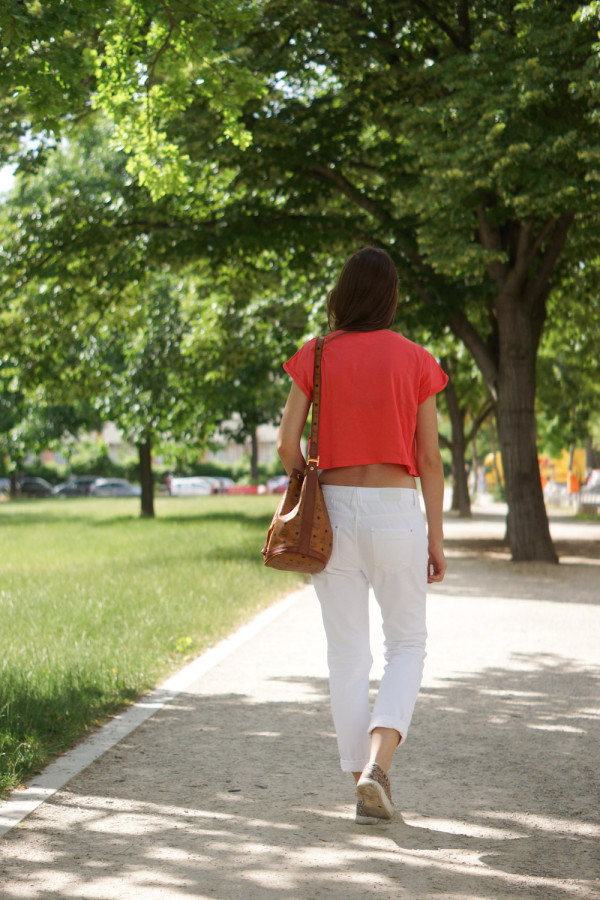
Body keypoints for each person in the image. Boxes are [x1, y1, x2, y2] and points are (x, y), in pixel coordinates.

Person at [276, 246, 448, 824]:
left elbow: (285, 445)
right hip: (397, 509)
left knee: (347, 653)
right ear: (391, 297)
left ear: (343, 294)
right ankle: (381, 765)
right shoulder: (417, 359)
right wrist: (437, 538)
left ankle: (362, 781)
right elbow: (429, 457)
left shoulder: (317, 354)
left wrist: (309, 484)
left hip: (335, 512)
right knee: (408, 644)